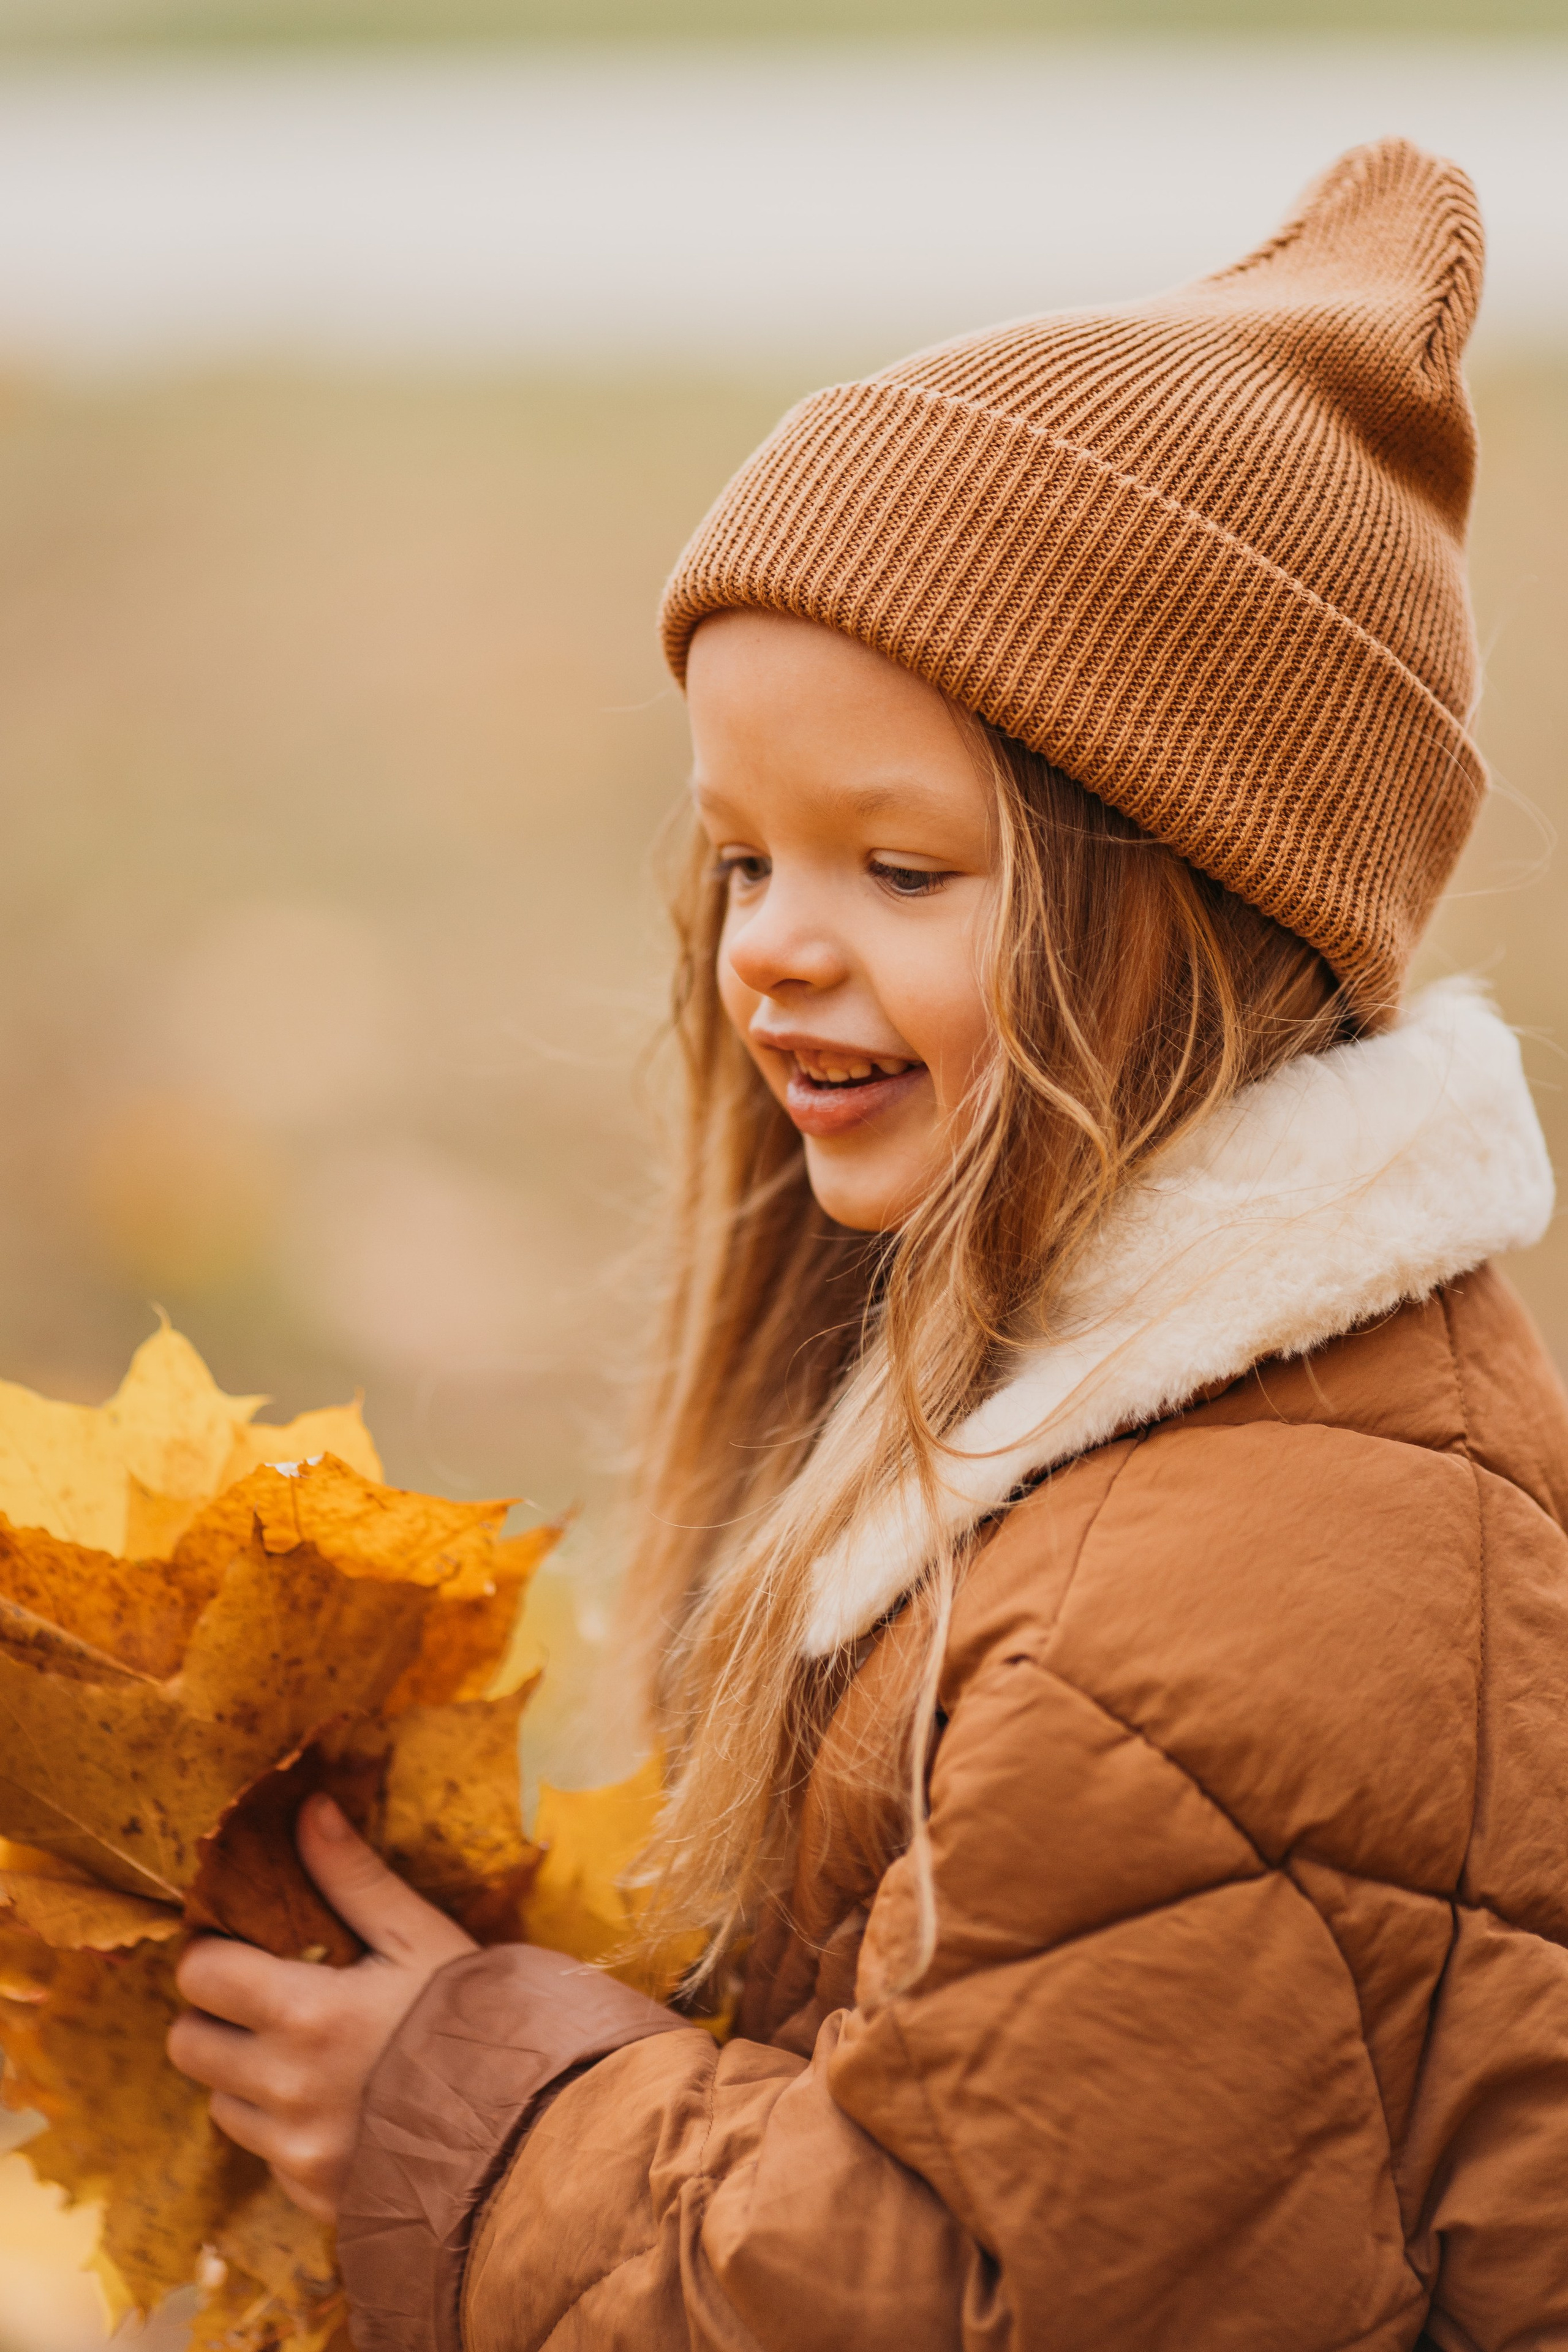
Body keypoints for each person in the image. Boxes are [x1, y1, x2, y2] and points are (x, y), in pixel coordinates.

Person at [167, 137, 1568, 2348]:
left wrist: (484, 2122)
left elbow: (989, 2294)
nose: (774, 955)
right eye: (744, 860)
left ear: (1202, 912)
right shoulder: (1146, 1425)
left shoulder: (1180, 1622)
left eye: (900, 873)